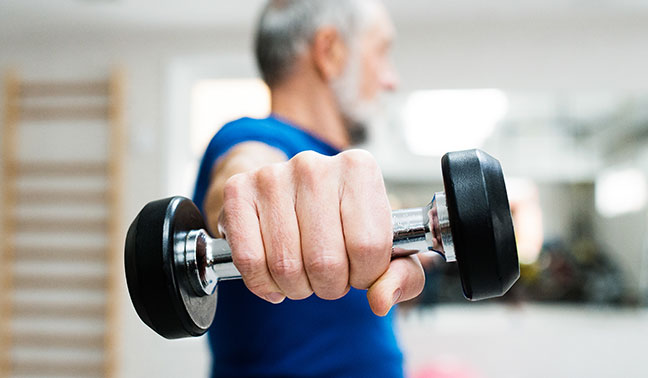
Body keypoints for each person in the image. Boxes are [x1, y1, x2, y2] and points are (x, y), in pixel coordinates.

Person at [193, 1, 425, 376]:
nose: (391, 80)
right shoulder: (250, 137)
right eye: (382, 52)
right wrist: (254, 200)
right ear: (330, 52)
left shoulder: (341, 170)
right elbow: (245, 176)